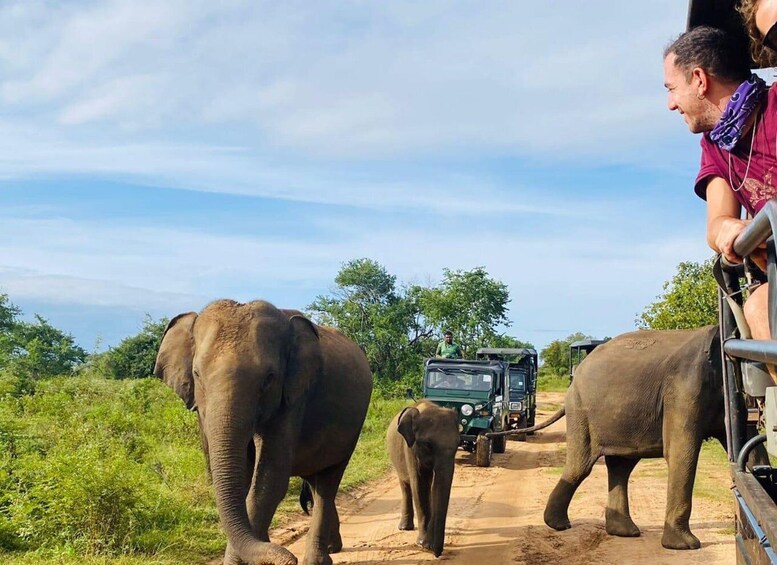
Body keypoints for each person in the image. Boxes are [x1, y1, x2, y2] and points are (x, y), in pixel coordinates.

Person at [663, 25, 777, 379]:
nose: (670, 104)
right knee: (759, 305)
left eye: (671, 89)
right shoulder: (715, 145)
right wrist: (729, 229)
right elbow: (716, 224)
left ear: (699, 79)